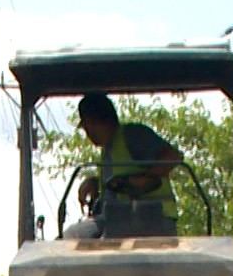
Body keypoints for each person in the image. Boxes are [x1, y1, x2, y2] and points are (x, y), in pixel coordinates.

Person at [74, 92, 183, 234]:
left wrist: (145, 178)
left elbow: (173, 156)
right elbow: (115, 184)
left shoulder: (133, 135)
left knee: (76, 236)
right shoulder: (108, 149)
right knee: (74, 237)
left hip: (152, 219)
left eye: (88, 128)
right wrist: (94, 182)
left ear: (99, 120)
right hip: (118, 219)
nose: (88, 134)